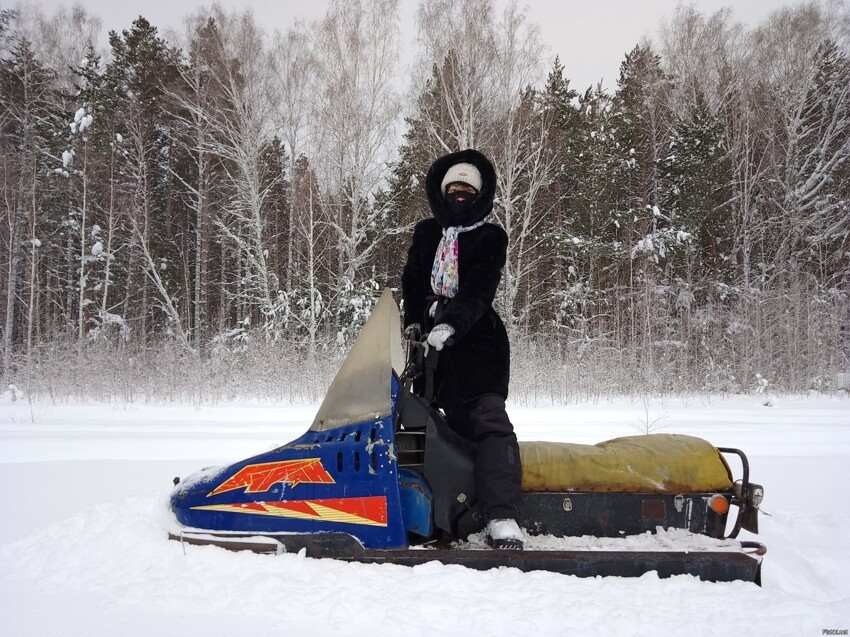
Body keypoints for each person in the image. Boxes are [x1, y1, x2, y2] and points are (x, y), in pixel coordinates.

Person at [401, 148, 524, 550]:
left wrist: (452, 321)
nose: (459, 192)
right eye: (453, 186)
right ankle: (437, 512)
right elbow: (413, 282)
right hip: (433, 352)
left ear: (480, 193)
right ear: (441, 191)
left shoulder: (490, 236)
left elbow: (481, 287)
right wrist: (415, 321)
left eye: (467, 188)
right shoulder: (426, 234)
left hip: (478, 345)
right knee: (434, 429)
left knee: (487, 422)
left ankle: (502, 516)